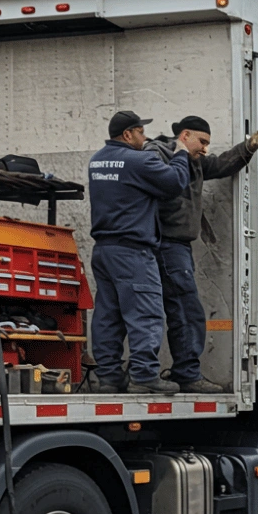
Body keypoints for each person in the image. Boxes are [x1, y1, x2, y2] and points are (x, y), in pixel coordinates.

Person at [144, 117, 258, 393]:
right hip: (167, 245)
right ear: (185, 135)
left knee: (181, 310)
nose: (205, 149)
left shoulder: (195, 162)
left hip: (177, 247)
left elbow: (222, 164)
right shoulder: (160, 156)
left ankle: (183, 371)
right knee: (186, 310)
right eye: (202, 142)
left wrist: (248, 146)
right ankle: (187, 374)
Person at [88, 110, 191, 394]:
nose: (145, 138)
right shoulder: (139, 160)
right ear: (127, 134)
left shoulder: (97, 161)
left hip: (104, 251)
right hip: (132, 252)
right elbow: (175, 182)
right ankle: (144, 375)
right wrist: (181, 153)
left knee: (108, 316)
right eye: (141, 132)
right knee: (145, 313)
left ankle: (109, 377)